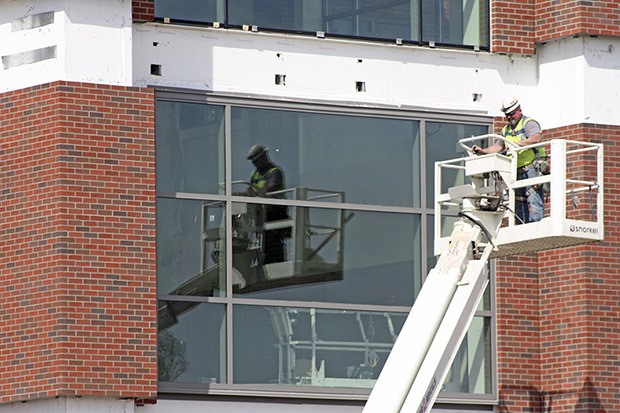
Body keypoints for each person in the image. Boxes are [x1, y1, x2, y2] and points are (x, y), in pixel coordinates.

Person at [471, 97, 545, 224]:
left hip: (531, 168)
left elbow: (536, 138)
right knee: (518, 202)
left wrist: (516, 144)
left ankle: (537, 226)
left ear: (519, 111)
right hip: (516, 171)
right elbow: (498, 147)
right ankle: (522, 227)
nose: (509, 117)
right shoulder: (506, 130)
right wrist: (482, 151)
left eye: (511, 114)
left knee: (533, 199)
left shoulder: (529, 123)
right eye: (507, 115)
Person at [245, 144, 288, 263]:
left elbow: (270, 190)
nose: (255, 165)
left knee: (274, 246)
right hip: (262, 215)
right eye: (253, 162)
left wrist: (254, 194)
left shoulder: (275, 172)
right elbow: (250, 190)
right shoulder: (255, 174)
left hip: (275, 215)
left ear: (264, 157)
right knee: (264, 246)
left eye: (257, 161)